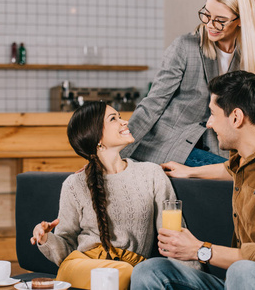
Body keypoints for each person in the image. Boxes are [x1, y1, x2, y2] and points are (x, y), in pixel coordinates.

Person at [131, 71, 255, 290]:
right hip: (242, 282)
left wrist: (199, 249)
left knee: (242, 270)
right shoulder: (247, 159)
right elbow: (229, 169)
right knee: (151, 271)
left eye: (212, 114)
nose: (209, 124)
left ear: (236, 118)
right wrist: (189, 172)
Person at [30, 101, 179, 290]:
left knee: (127, 272)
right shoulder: (74, 184)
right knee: (120, 273)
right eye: (113, 119)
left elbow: (175, 236)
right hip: (80, 266)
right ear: (97, 137)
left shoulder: (151, 174)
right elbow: (66, 249)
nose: (125, 122)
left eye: (119, 117)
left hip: (131, 271)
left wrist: (190, 278)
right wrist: (46, 238)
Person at [121, 0, 255, 167]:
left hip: (219, 148)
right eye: (206, 15)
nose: (210, 25)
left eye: (220, 20)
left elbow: (242, 117)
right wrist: (117, 151)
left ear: (241, 20)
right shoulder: (185, 47)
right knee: (241, 173)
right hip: (171, 144)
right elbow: (153, 103)